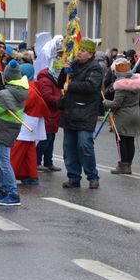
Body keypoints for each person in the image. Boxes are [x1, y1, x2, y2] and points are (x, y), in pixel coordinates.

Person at [57, 38, 103, 189]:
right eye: (80, 50)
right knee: (69, 147)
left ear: (91, 54)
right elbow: (60, 84)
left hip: (86, 112)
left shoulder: (95, 68)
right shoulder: (73, 64)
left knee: (84, 145)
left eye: (83, 51)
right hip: (70, 111)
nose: (80, 53)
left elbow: (91, 86)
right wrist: (65, 71)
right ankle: (73, 177)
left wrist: (71, 86)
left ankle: (92, 176)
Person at [0, 60, 29, 206]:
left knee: (3, 163)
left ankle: (12, 193)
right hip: (11, 127)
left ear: (7, 77)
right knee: (1, 161)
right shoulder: (20, 90)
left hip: (4, 127)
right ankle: (3, 191)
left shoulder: (5, 93)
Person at [103, 58, 140, 174]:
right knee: (130, 141)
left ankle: (123, 166)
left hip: (123, 117)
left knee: (121, 141)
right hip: (135, 115)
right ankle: (128, 166)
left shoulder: (121, 86)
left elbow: (116, 104)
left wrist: (105, 102)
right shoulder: (136, 84)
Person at [10, 63, 49, 185]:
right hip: (30, 120)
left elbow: (22, 105)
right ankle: (30, 175)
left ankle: (8, 175)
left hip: (26, 121)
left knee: (17, 148)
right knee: (28, 150)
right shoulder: (31, 86)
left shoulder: (28, 88)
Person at [36, 67, 62, 172]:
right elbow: (47, 97)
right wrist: (61, 101)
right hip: (48, 114)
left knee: (50, 140)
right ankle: (36, 162)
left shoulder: (53, 80)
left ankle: (48, 162)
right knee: (45, 140)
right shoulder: (45, 80)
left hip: (54, 114)